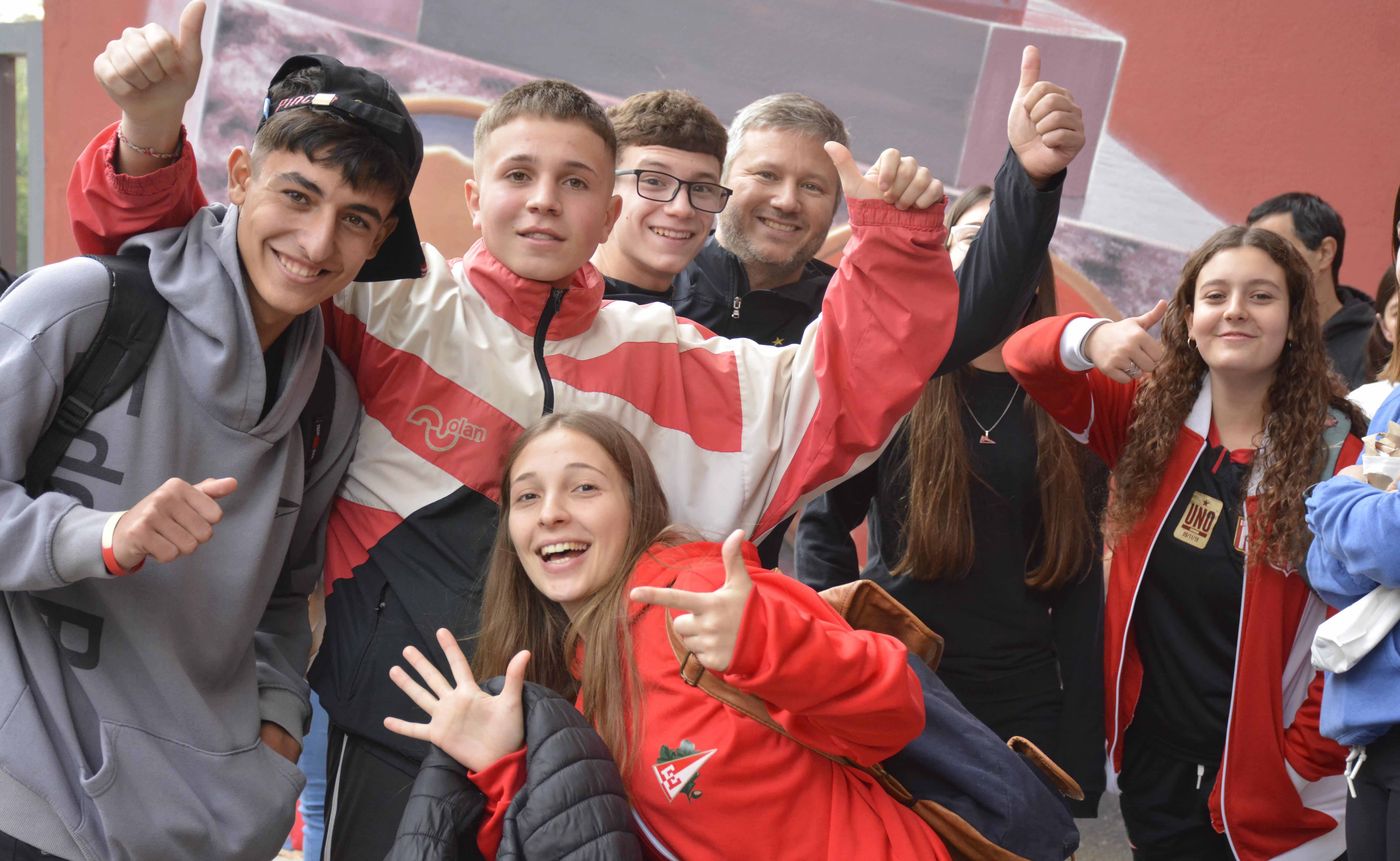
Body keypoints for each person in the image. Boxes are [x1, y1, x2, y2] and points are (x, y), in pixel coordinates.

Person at [69, 10, 993, 854]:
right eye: (518, 175)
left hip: (589, 757)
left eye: (576, 182)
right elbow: (195, 285)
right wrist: (149, 138)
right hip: (399, 728)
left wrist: (898, 243)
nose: (545, 200)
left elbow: (844, 396)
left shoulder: (678, 357)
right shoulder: (387, 302)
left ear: (608, 212)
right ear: (474, 197)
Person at [0, 9, 415, 856]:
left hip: (201, 823)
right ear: (239, 176)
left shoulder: (327, 401)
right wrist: (102, 534)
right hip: (25, 793)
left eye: (356, 218)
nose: (316, 240)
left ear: (377, 242)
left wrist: (273, 728)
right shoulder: (81, 305)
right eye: (297, 195)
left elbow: (281, 602)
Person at [384, 411, 948, 860]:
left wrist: (767, 644)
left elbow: (897, 712)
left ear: (637, 505)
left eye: (583, 488)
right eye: (527, 497)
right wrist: (503, 767)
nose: (551, 513)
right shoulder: (561, 689)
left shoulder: (701, 594)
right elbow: (580, 844)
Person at [1004, 225, 1364, 860]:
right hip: (1155, 767)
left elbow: (1357, 635)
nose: (1234, 311)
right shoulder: (1150, 421)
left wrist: (1293, 767)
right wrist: (1093, 336)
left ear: (1294, 322)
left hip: (1271, 789)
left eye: (1261, 296)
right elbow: (1027, 359)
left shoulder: (1339, 457)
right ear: (1190, 320)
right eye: (1215, 294)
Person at [795, 182, 1107, 818]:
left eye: (1005, 238)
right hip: (900, 680)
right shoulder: (899, 382)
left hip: (1021, 701)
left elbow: (1078, 588)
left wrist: (1079, 746)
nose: (991, 251)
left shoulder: (1071, 402)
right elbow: (823, 524)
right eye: (972, 237)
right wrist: (842, 645)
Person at [593, 88, 729, 304]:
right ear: (603, 187)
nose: (682, 208)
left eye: (701, 188)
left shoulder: (705, 330)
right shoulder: (542, 313)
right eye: (654, 181)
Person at [1248, 192, 1374, 388]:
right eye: (1254, 254)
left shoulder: (1377, 344)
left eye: (1275, 250)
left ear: (1325, 253)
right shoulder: (1249, 334)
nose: (1259, 266)